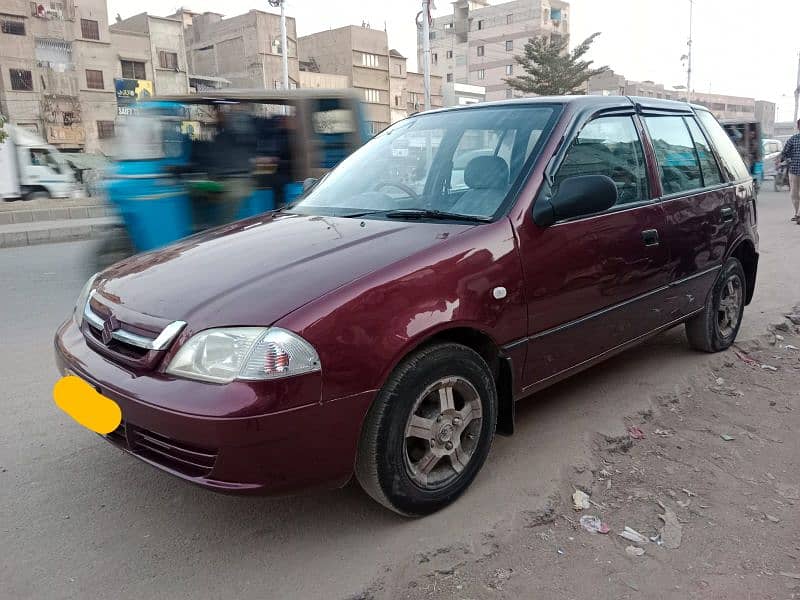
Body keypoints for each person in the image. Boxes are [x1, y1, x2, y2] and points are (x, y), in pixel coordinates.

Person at [779, 119, 800, 223]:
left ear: (797, 127)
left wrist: (786, 160)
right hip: (794, 171)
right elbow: (784, 153)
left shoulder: (793, 139)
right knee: (794, 194)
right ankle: (797, 214)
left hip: (794, 170)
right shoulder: (793, 139)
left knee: (794, 194)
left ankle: (798, 214)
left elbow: (784, 154)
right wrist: (785, 160)